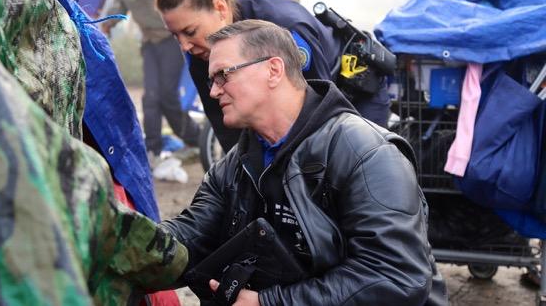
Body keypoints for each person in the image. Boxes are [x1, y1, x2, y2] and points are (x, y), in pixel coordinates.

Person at [159, 19, 447, 305]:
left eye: (223, 74)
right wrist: (124, 239)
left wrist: (270, 303)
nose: (213, 91)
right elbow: (192, 236)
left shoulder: (367, 152)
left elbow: (396, 276)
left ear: (273, 70)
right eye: (212, 79)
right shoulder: (235, 164)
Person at [154, 0, 391, 154]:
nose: (184, 46)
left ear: (220, 8)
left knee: (347, 163)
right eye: (175, 36)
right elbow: (227, 131)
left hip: (353, 90)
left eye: (189, 31)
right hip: (295, 113)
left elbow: (322, 113)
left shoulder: (287, 28)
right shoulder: (199, 51)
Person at [102, 0, 200, 163]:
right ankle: (152, 149)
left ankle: (195, 138)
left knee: (167, 95)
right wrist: (106, 24)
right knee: (151, 97)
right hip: (149, 41)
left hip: (172, 40)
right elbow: (119, 6)